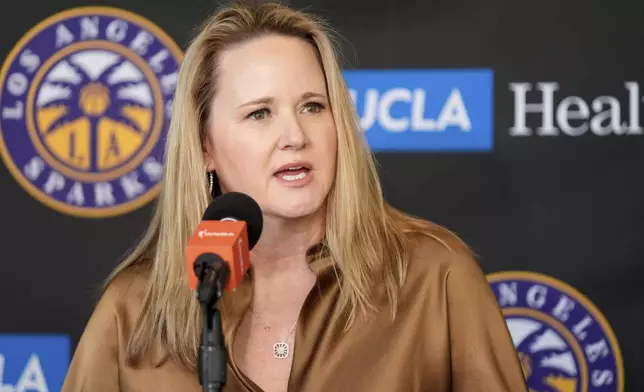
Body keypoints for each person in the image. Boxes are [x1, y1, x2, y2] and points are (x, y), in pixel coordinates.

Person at [61, 1, 527, 391]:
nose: (294, 135)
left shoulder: (435, 277)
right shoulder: (133, 311)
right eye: (260, 113)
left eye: (312, 106)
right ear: (206, 146)